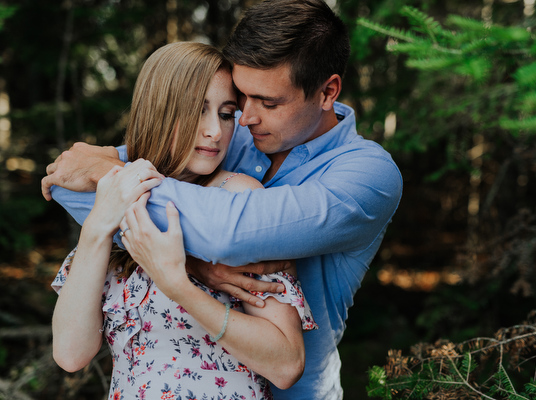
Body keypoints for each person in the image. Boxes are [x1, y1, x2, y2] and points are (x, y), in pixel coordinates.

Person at [42, 0, 403, 398]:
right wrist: (107, 178)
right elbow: (71, 184)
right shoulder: (228, 136)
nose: (244, 118)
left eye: (267, 102)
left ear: (327, 92)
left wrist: (184, 261)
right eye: (241, 98)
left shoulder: (368, 177)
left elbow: (227, 233)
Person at [51, 42, 317, 400]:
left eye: (226, 114)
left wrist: (178, 285)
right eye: (198, 111)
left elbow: (287, 365)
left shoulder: (239, 199)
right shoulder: (116, 195)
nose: (215, 131)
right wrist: (99, 226)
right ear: (158, 111)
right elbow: (70, 354)